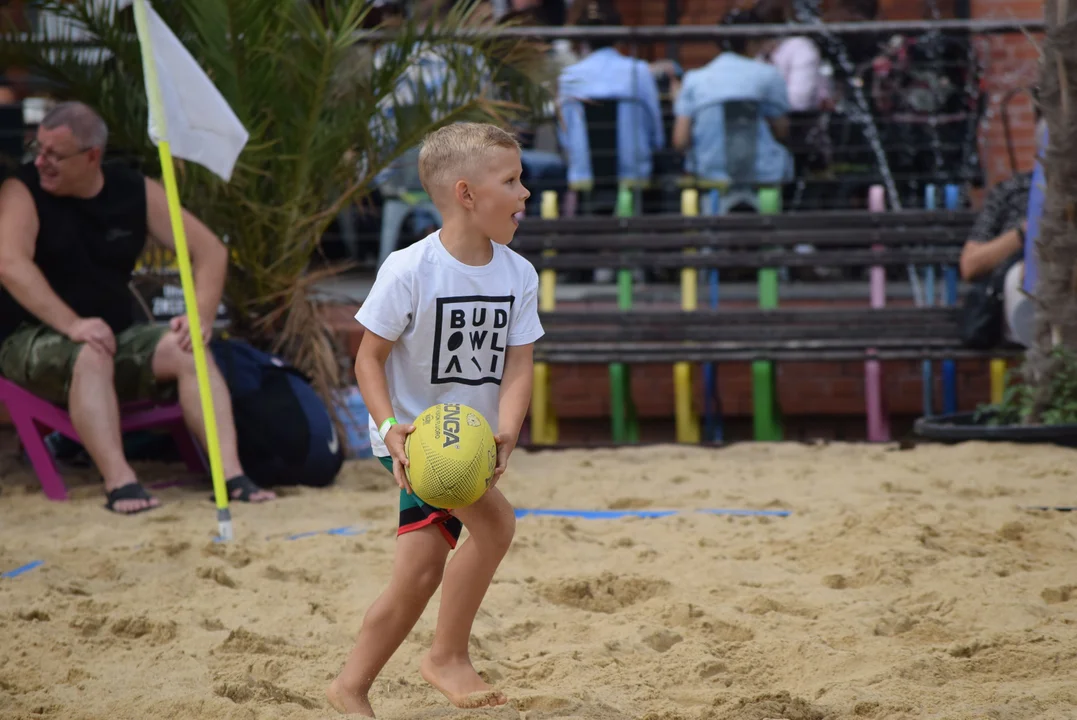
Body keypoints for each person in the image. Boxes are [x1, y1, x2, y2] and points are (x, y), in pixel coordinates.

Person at [327, 122, 542, 717]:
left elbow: (519, 365)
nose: (526, 193)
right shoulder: (409, 269)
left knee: (424, 570)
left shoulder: (518, 274)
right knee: (488, 531)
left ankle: (360, 682)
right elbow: (368, 358)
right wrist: (391, 429)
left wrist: (508, 432)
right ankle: (441, 658)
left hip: (473, 438)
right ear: (467, 194)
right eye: (512, 180)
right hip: (415, 439)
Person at [0, 101, 276, 513]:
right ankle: (120, 482)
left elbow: (210, 252)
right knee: (91, 353)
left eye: (54, 155)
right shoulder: (22, 190)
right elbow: (9, 262)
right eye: (37, 149)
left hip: (116, 335)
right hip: (32, 338)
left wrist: (199, 316)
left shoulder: (134, 189)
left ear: (92, 156)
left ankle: (232, 475)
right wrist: (73, 324)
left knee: (189, 350)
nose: (41, 161)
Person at [672, 7, 794, 186]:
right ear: (753, 41)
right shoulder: (769, 75)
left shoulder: (694, 79)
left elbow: (680, 141)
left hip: (708, 177)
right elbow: (782, 131)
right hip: (763, 177)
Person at [557, 0, 664, 191]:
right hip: (634, 183)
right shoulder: (638, 71)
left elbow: (565, 139)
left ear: (582, 37)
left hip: (584, 182)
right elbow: (657, 136)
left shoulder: (569, 77)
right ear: (618, 34)